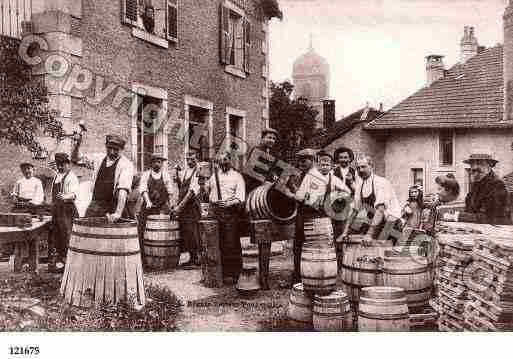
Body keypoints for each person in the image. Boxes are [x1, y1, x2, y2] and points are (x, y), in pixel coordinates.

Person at [283, 149, 346, 284]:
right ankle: (300, 277)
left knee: (318, 247)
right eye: (322, 164)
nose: (324, 166)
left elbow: (346, 192)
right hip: (305, 215)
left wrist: (332, 199)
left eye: (327, 164)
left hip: (321, 217)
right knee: (300, 247)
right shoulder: (305, 176)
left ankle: (317, 276)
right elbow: (298, 196)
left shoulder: (330, 178)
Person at [347, 154, 401, 245]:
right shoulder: (360, 185)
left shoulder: (381, 182)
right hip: (375, 222)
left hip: (390, 223)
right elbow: (355, 210)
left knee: (381, 252)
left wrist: (369, 234)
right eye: (358, 168)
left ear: (372, 167)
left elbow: (380, 210)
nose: (361, 170)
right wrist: (346, 232)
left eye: (363, 167)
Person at [442, 153, 510, 224]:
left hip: (498, 229)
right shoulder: (477, 183)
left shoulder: (497, 185)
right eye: (472, 164)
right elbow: (470, 210)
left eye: (479, 163)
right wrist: (456, 213)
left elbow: (487, 217)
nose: (474, 167)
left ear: (489, 166)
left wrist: (457, 216)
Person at [209, 151, 245, 285]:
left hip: (230, 213)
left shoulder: (237, 176)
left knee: (231, 243)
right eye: (221, 161)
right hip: (216, 213)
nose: (223, 163)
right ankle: (222, 273)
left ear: (230, 160)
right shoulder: (214, 176)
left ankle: (236, 274)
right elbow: (210, 194)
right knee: (219, 243)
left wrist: (228, 202)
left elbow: (240, 197)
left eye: (226, 160)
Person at [85, 135, 134, 223]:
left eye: (116, 149)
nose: (112, 152)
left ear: (122, 150)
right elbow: (76, 158)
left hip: (114, 206)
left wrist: (118, 213)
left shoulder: (126, 165)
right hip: (96, 205)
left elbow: (123, 190)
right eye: (109, 148)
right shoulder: (99, 158)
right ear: (106, 146)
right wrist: (77, 144)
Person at [138, 152, 177, 255]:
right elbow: (143, 190)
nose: (157, 164)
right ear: (151, 163)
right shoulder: (146, 175)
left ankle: (162, 254)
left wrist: (171, 206)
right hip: (148, 206)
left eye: (159, 162)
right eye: (155, 162)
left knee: (163, 230)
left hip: (162, 207)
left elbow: (170, 192)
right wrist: (148, 202)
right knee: (142, 229)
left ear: (162, 163)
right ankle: (144, 255)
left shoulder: (165, 175)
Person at [49, 153, 79, 272]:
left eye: (62, 165)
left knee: (67, 235)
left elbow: (74, 194)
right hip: (57, 210)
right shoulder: (57, 176)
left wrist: (65, 196)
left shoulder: (72, 177)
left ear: (68, 164)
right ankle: (60, 262)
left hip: (67, 210)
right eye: (58, 165)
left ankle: (70, 263)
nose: (60, 167)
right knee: (57, 235)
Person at [174, 150, 201, 266]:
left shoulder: (198, 171)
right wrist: (177, 175)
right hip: (183, 208)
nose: (189, 161)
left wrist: (179, 207)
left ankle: (197, 259)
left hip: (192, 206)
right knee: (186, 232)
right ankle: (191, 258)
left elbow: (192, 192)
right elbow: (182, 187)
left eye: (192, 159)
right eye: (188, 159)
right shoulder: (185, 171)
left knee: (193, 232)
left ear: (197, 158)